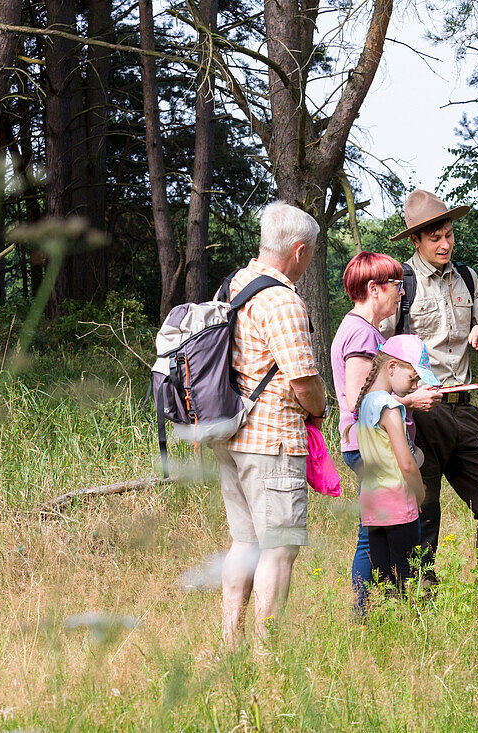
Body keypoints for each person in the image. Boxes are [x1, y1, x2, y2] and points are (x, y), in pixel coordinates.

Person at [385, 189, 478, 582]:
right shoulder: (400, 284)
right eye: (434, 238)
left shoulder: (466, 276)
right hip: (419, 413)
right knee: (422, 512)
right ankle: (417, 597)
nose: (445, 244)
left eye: (449, 234)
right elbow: (378, 353)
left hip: (464, 409)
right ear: (415, 240)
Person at [213, 201, 326, 648]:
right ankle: (265, 653)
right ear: (299, 251)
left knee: (245, 543)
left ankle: (230, 642)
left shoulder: (234, 284)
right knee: (279, 550)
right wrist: (320, 410)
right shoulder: (282, 301)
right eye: (312, 252)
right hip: (272, 441)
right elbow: (303, 381)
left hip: (231, 431)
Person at [331, 252, 441, 613]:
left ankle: (380, 608)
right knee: (372, 536)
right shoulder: (361, 334)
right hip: (371, 448)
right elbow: (360, 401)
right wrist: (411, 400)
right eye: (396, 284)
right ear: (373, 289)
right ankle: (366, 612)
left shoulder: (363, 330)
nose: (401, 292)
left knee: (376, 530)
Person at [352, 335, 440, 593]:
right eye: (413, 378)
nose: (414, 386)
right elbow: (407, 464)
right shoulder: (390, 407)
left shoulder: (365, 403)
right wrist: (420, 494)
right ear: (392, 367)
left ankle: (382, 624)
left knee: (382, 577)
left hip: (373, 504)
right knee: (407, 576)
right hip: (399, 504)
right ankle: (409, 625)